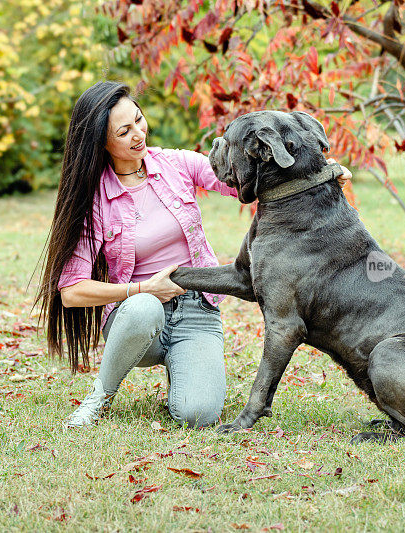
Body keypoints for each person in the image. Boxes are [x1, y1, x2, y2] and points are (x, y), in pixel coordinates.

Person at [34, 81, 351, 429]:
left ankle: (182, 366)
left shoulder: (177, 165)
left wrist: (319, 171)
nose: (138, 134)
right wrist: (140, 291)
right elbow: (71, 292)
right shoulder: (95, 199)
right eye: (124, 132)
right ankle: (100, 397)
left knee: (197, 415)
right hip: (136, 319)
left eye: (139, 120)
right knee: (144, 309)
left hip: (196, 310)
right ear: (101, 143)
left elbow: (244, 179)